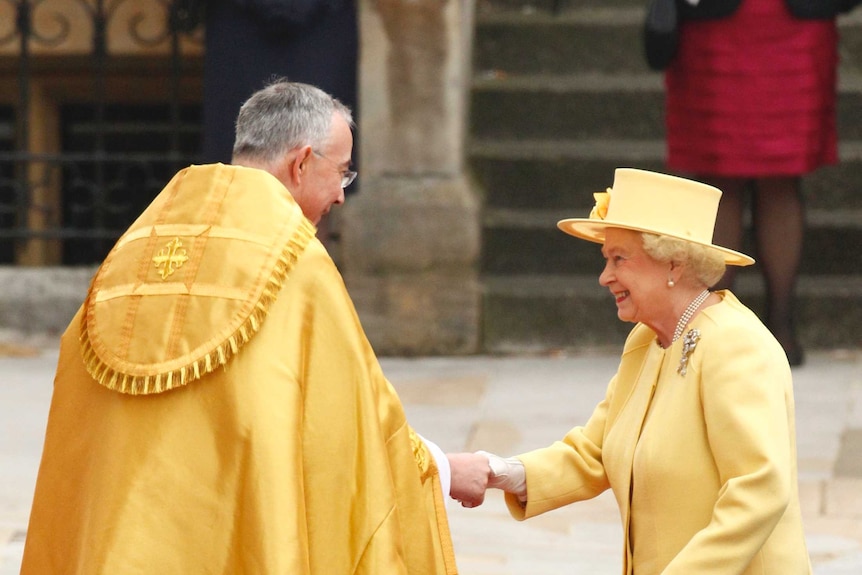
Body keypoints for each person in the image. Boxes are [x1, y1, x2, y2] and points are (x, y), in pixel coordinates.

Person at [20, 80, 489, 574]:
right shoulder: (296, 261)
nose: (341, 197)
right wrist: (441, 468)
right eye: (342, 174)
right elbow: (351, 421)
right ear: (301, 162)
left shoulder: (137, 245)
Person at [471, 168, 812, 574]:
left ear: (674, 264)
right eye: (605, 260)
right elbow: (595, 452)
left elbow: (759, 489)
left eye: (619, 259)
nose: (605, 277)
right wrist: (500, 472)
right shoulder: (647, 340)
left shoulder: (735, 346)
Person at [664, 0, 856, 366]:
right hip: (713, 24)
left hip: (794, 23)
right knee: (720, 174)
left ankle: (780, 325)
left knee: (780, 175)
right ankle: (717, 328)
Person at [202, 0, 359, 248]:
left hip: (316, 28)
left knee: (318, 165)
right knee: (241, 170)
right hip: (243, 31)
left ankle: (309, 277)